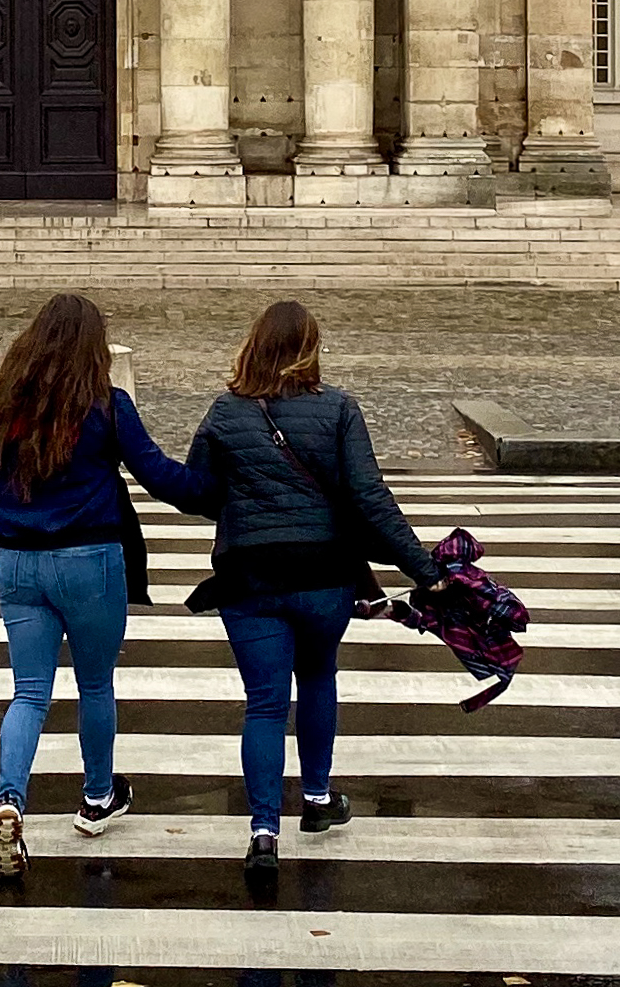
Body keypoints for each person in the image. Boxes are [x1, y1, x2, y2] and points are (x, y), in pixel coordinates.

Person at [184, 298, 439, 874]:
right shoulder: (340, 410)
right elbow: (371, 502)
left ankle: (264, 832)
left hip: (250, 579)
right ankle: (319, 801)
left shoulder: (225, 413)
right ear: (310, 350)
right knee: (320, 676)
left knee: (265, 704)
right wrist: (428, 574)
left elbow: (198, 494)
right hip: (326, 577)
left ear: (252, 345)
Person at [0, 292, 208, 882]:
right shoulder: (106, 405)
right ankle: (98, 797)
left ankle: (9, 798)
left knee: (29, 692)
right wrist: (224, 493)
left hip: (18, 563)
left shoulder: (6, 405)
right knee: (95, 684)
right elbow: (157, 474)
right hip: (90, 561)